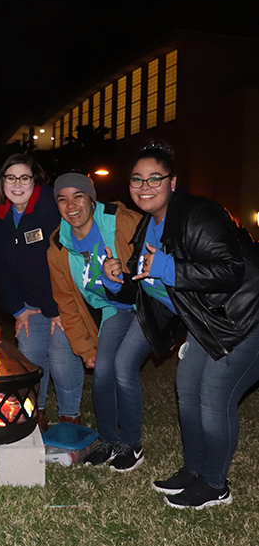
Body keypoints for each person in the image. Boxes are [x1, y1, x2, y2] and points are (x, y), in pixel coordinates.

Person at [105, 142, 259, 508]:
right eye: (137, 180)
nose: (145, 187)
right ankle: (195, 471)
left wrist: (166, 267)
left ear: (172, 182)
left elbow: (229, 271)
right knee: (188, 389)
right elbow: (153, 291)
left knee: (214, 395)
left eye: (154, 178)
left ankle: (215, 485)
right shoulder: (148, 227)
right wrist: (118, 281)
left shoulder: (198, 214)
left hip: (247, 316)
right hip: (212, 322)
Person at [47, 172, 148, 471]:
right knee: (103, 370)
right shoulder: (59, 246)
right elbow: (66, 301)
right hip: (114, 311)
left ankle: (131, 444)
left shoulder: (121, 221)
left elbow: (152, 260)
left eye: (78, 196)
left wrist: (124, 275)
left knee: (123, 366)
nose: (71, 205)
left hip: (145, 306)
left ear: (91, 198)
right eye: (62, 199)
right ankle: (107, 440)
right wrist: (85, 348)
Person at [0, 155, 84, 430]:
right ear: (2, 182)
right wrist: (18, 309)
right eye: (11, 177)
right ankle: (35, 415)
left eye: (24, 178)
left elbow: (56, 261)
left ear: (35, 180)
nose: (17, 184)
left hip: (62, 299)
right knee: (31, 357)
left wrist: (54, 310)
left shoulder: (49, 206)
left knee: (63, 357)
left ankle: (69, 417)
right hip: (28, 301)